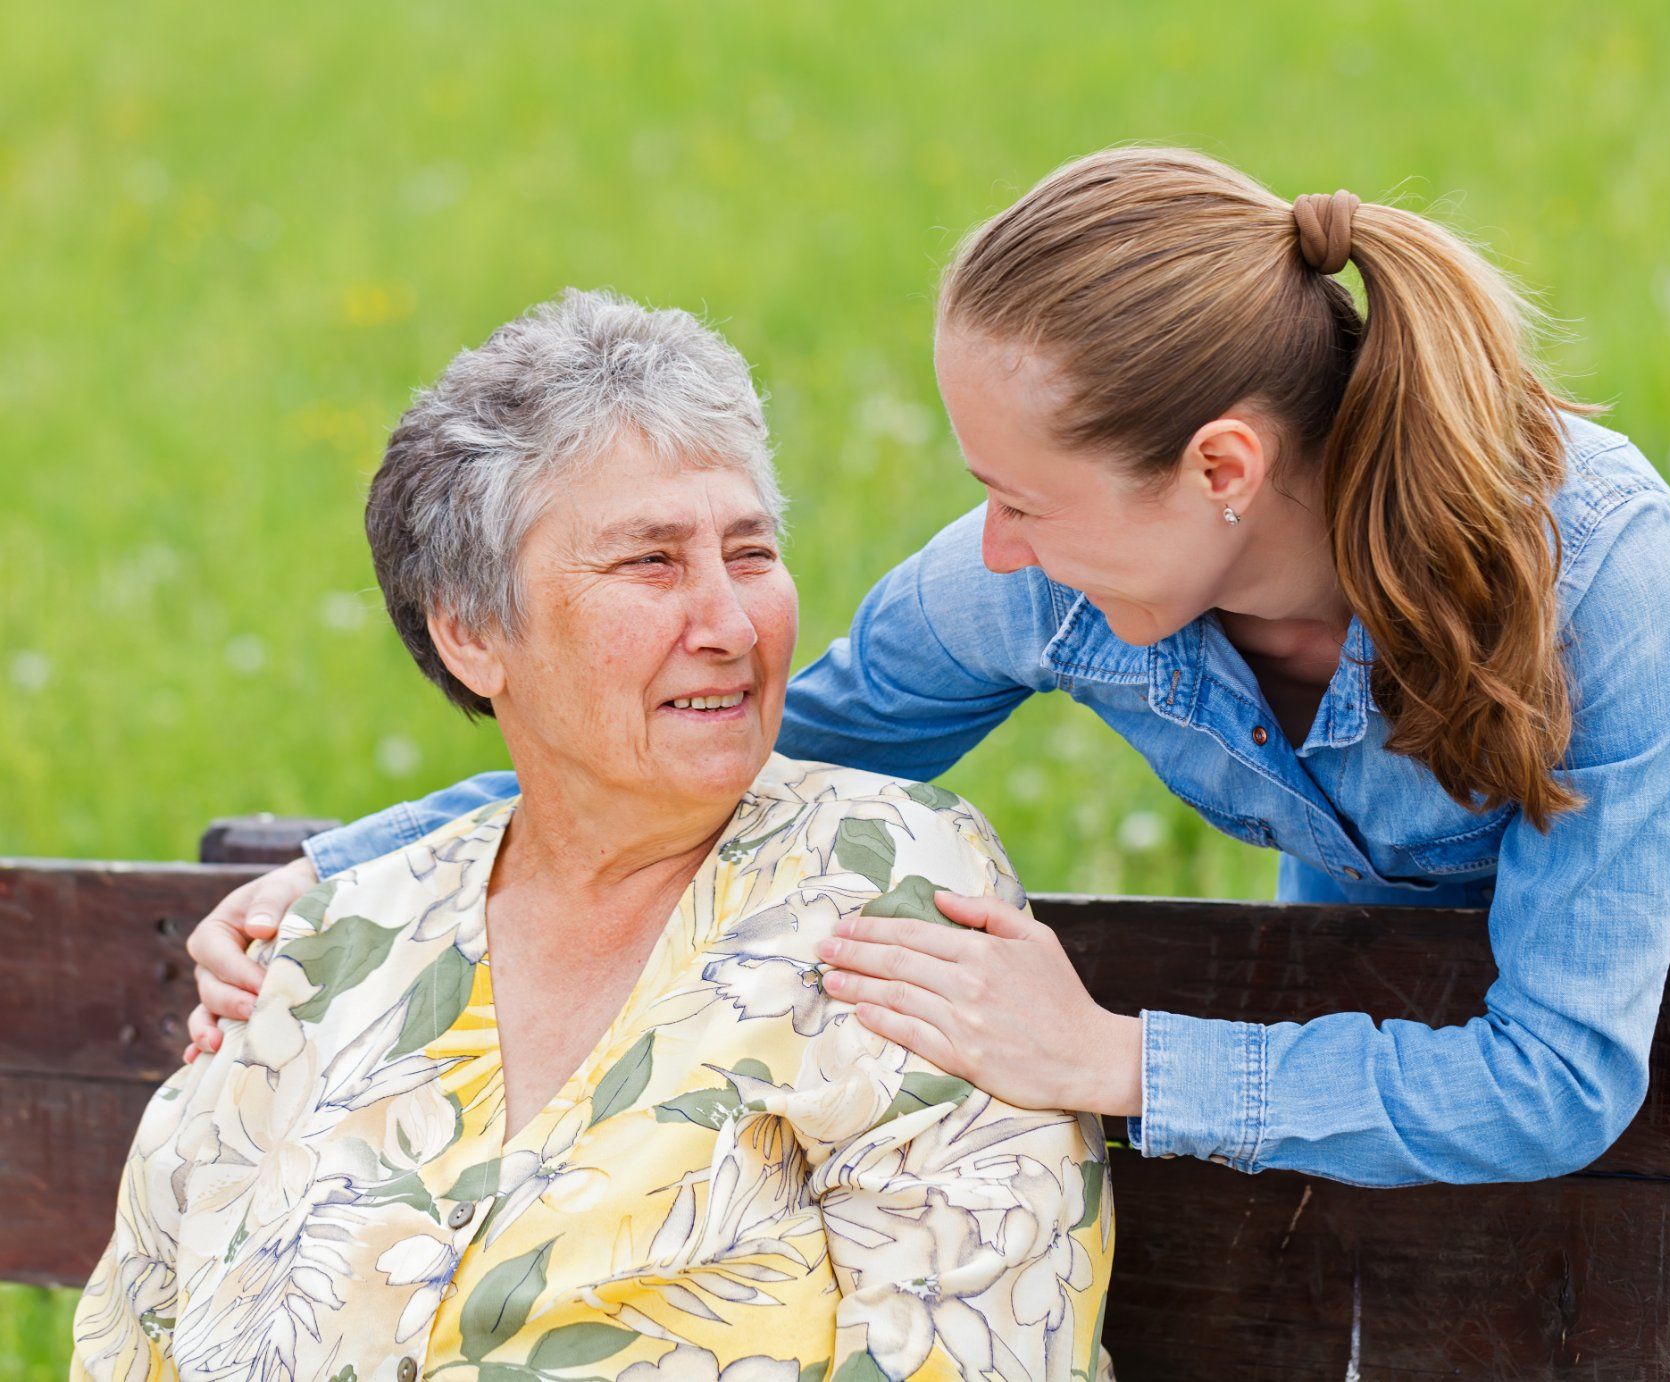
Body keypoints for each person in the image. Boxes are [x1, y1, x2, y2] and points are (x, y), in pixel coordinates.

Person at [182, 147, 1670, 1191]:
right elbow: (729, 750)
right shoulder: (1045, 585)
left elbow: (1564, 1076)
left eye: (1020, 499)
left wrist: (1115, 1058)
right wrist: (354, 867)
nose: (987, 549)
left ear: (1220, 474)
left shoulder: (1595, 574)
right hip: (1389, 994)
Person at [74, 291, 1113, 1381]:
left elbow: (980, 1341)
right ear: (474, 632)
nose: (728, 624)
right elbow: (137, 1330)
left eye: (750, 552)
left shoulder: (880, 884)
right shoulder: (330, 950)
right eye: (651, 563)